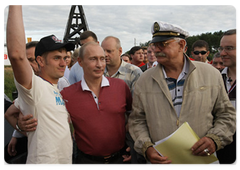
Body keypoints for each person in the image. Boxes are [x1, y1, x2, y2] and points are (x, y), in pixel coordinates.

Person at [128, 21, 237, 165]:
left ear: (181, 45)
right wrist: (146, 147)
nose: (156, 49)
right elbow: (137, 121)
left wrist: (214, 139)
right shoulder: (144, 80)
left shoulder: (210, 74)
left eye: (163, 44)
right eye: (155, 45)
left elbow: (227, 115)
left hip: (202, 162)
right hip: (161, 164)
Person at [4, 3, 74, 165]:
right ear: (40, 61)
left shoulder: (55, 87)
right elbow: (16, 55)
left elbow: (9, 112)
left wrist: (21, 129)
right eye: (57, 58)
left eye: (65, 57)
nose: (63, 63)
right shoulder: (34, 87)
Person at [60, 42, 132, 164]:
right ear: (80, 62)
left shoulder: (120, 87)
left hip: (121, 159)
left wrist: (132, 144)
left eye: (102, 59)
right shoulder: (67, 95)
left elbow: (134, 116)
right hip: (86, 161)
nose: (99, 65)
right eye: (93, 59)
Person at [101, 36, 143, 164]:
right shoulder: (98, 71)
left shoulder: (134, 72)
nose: (105, 55)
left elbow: (138, 108)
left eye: (109, 51)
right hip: (104, 132)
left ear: (120, 51)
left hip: (128, 133)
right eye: (103, 51)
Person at [216, 29, 237, 165]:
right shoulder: (213, 78)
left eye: (229, 48)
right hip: (217, 150)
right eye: (221, 48)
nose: (222, 53)